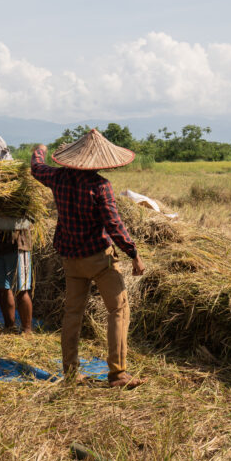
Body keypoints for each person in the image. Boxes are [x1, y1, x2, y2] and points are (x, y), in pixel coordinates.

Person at [30, 129, 147, 388]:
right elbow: (114, 225)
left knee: (73, 314)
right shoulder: (100, 186)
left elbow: (37, 168)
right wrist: (134, 253)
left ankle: (70, 373)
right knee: (118, 310)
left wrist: (40, 149)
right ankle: (118, 374)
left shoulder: (57, 177)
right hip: (98, 258)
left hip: (70, 258)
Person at [0, 134, 34, 334]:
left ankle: (27, 330)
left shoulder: (15, 174)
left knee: (22, 288)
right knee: (2, 286)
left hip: (16, 240)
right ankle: (9, 327)